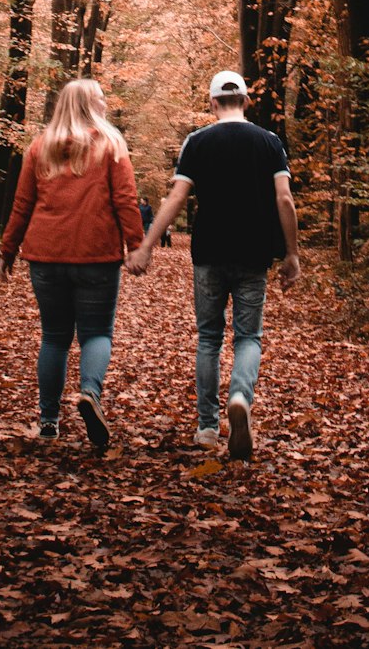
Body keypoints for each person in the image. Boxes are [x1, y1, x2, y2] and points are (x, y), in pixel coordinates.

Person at [126, 69, 299, 461]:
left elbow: (176, 198)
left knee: (208, 337)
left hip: (209, 253)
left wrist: (146, 246)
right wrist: (292, 254)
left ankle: (207, 427)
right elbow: (285, 200)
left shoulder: (197, 141)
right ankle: (240, 396)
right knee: (248, 337)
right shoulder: (269, 142)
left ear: (213, 103)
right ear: (247, 101)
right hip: (254, 254)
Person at [0, 78, 144, 451]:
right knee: (96, 333)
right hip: (96, 256)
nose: (106, 104)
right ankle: (89, 394)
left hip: (46, 257)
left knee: (54, 337)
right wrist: (137, 246)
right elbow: (126, 200)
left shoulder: (40, 148)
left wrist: (7, 251)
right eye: (101, 99)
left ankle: (48, 420)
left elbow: (22, 204)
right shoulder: (111, 145)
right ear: (89, 105)